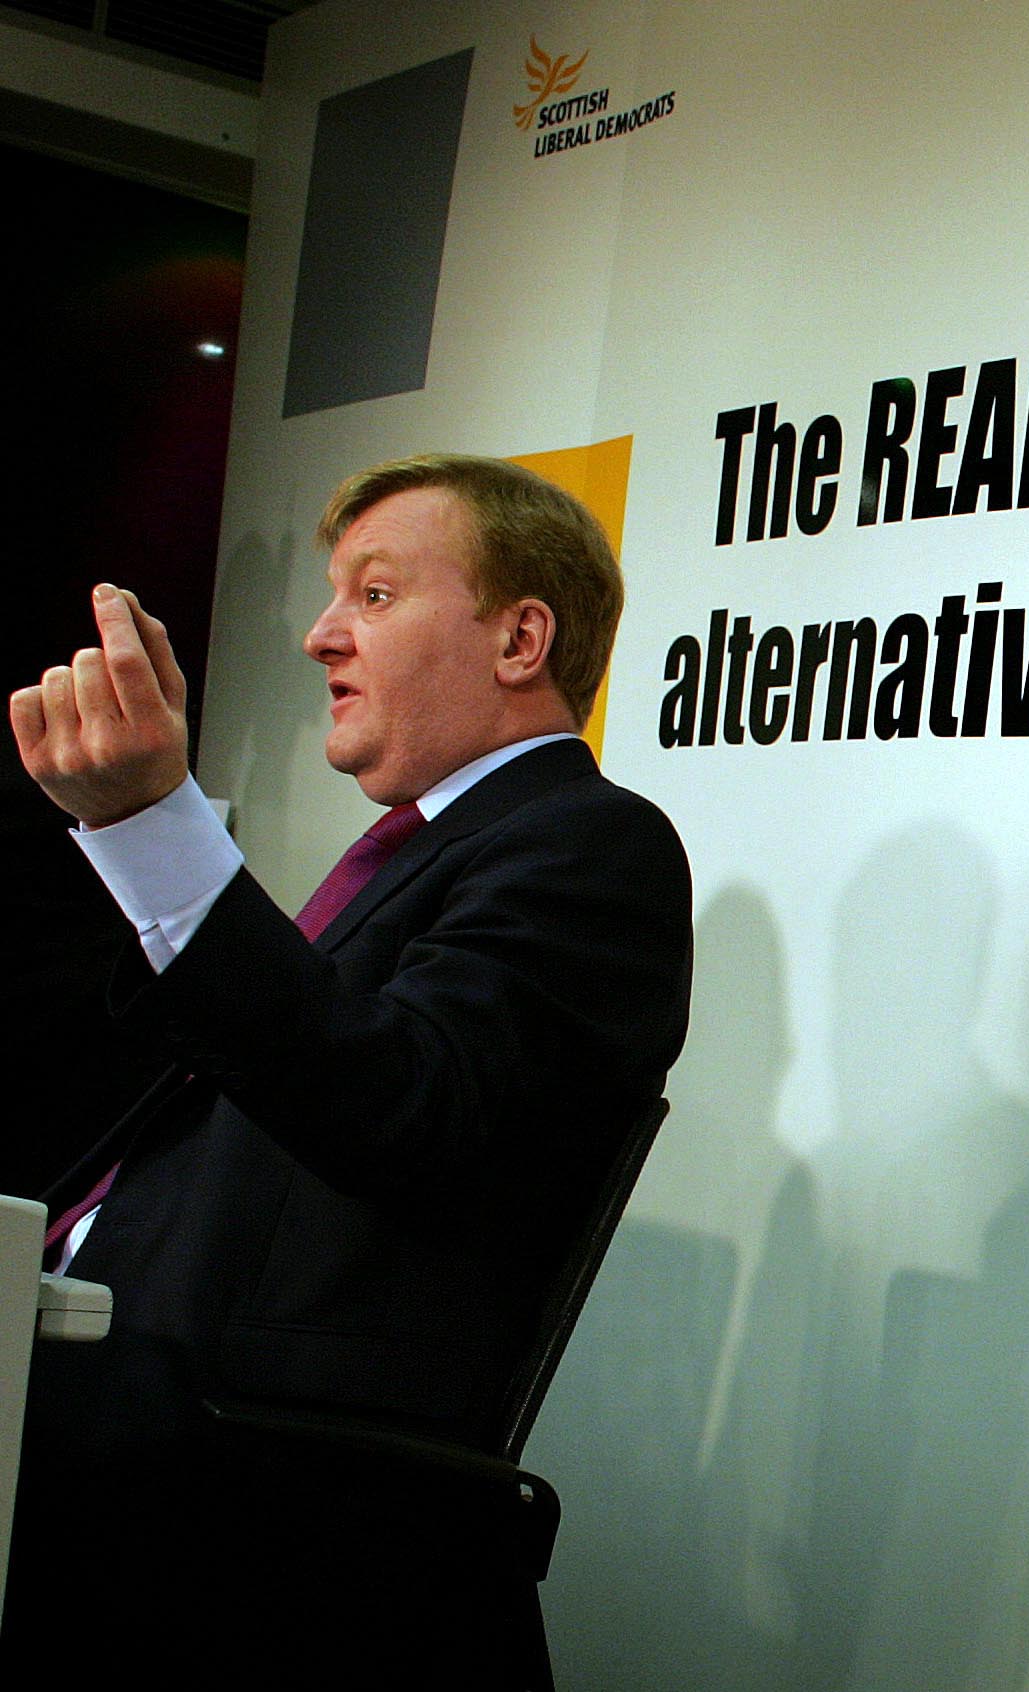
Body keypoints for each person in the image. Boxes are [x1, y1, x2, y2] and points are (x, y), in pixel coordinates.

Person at [3, 455, 691, 1682]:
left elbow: (401, 1107)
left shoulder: (590, 846)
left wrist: (159, 835)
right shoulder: (406, 860)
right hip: (93, 1407)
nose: (322, 636)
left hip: (256, 1504)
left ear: (521, 636)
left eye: (374, 597)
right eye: (334, 597)